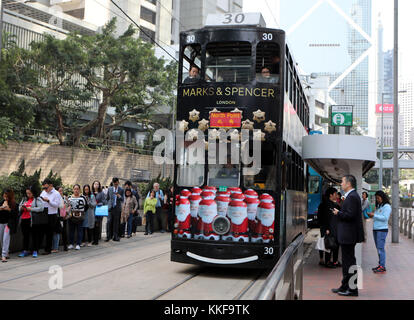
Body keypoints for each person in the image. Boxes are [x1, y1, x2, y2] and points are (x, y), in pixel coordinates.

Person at [332, 175, 364, 297]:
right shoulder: (352, 196)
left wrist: (338, 213)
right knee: (347, 262)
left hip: (349, 235)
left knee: (349, 263)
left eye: (342, 181)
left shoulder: (352, 197)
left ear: (349, 183)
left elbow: (349, 215)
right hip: (348, 235)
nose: (341, 184)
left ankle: (353, 289)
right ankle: (345, 285)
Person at [367, 191, 391, 273]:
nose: (377, 200)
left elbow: (385, 218)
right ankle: (380, 264)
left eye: (378, 198)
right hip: (376, 229)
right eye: (376, 198)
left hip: (382, 229)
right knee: (378, 248)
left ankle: (382, 266)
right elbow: (378, 217)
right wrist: (372, 215)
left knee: (381, 248)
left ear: (382, 197)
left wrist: (374, 215)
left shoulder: (387, 207)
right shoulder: (379, 206)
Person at [317, 187, 341, 268]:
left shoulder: (334, 204)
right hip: (328, 228)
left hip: (334, 228)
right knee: (329, 244)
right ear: (331, 195)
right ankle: (328, 261)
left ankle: (335, 261)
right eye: (335, 194)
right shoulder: (325, 204)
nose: (337, 195)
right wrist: (326, 228)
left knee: (335, 244)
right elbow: (324, 217)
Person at [18, 186, 44, 257]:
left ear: (33, 193)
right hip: (24, 219)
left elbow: (41, 208)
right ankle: (25, 250)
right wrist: (22, 208)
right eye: (27, 193)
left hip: (33, 220)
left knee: (34, 235)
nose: (28, 195)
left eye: (29, 193)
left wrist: (31, 209)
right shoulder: (24, 199)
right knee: (25, 236)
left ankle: (35, 250)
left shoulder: (37, 199)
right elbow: (19, 206)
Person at [40, 178, 62, 255]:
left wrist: (48, 201)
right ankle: (41, 247)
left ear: (51, 185)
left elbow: (57, 205)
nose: (45, 190)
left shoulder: (56, 193)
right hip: (44, 214)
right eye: (44, 188)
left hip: (52, 215)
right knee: (43, 232)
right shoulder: (43, 192)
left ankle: (48, 249)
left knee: (50, 233)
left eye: (46, 188)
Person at [0, 190, 18, 262]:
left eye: (7, 196)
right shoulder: (1, 202)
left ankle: (3, 255)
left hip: (8, 224)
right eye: (4, 196)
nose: (5, 198)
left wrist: (9, 209)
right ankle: (6, 252)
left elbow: (16, 215)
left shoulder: (14, 204)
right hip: (1, 222)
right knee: (1, 238)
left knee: (6, 238)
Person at [67, 184, 87, 250]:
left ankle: (78, 244)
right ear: (73, 190)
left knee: (79, 231)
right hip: (71, 217)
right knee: (71, 231)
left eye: (77, 189)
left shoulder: (83, 197)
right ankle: (71, 244)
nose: (76, 190)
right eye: (75, 189)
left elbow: (86, 206)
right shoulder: (69, 197)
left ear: (79, 190)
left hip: (80, 217)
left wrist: (82, 212)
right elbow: (67, 206)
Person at [106, 177, 124, 241]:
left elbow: (123, 199)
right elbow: (107, 198)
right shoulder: (110, 189)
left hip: (117, 208)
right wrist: (108, 205)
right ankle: (108, 236)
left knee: (116, 223)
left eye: (116, 184)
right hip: (110, 208)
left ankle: (115, 236)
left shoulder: (121, 189)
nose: (115, 185)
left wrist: (119, 196)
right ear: (113, 183)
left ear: (118, 182)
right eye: (114, 184)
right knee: (109, 222)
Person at [92, 181, 106, 245]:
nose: (96, 185)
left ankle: (96, 240)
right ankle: (93, 239)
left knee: (97, 225)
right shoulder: (91, 192)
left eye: (97, 184)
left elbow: (104, 201)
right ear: (93, 185)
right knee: (93, 225)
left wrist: (99, 204)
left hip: (98, 210)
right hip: (92, 211)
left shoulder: (101, 193)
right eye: (95, 184)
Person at [57, 186, 70, 251]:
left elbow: (69, 205)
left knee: (64, 231)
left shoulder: (65, 198)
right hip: (57, 217)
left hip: (64, 217)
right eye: (59, 191)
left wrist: (67, 211)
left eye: (62, 190)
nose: (61, 192)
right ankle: (56, 246)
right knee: (57, 231)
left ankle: (65, 246)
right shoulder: (55, 198)